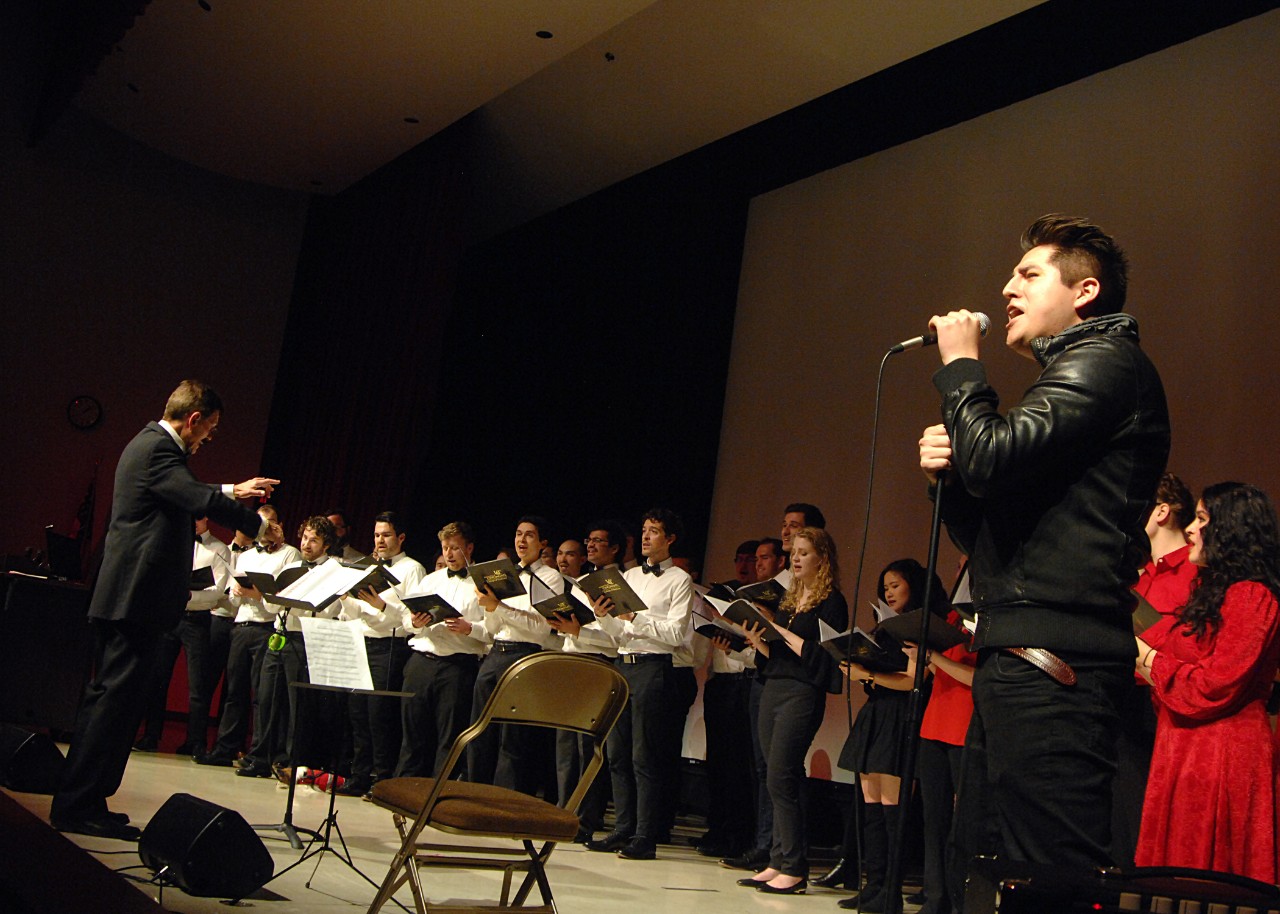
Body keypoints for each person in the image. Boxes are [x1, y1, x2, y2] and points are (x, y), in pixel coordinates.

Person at [919, 214, 1169, 875]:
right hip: (1021, 652)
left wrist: (962, 366)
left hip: (1057, 659)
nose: (1007, 288)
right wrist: (947, 481)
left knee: (1049, 869)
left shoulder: (1107, 362)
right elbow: (989, 541)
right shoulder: (1073, 375)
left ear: (1085, 292)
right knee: (991, 860)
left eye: (1028, 274)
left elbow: (995, 456)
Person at [50, 380, 276, 840]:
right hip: (134, 600)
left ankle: (89, 800)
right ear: (193, 419)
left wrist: (234, 488)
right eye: (208, 430)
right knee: (111, 704)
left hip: (134, 599)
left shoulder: (152, 448)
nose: (207, 439)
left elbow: (190, 489)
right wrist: (254, 522)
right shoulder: (159, 450)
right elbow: (195, 496)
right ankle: (76, 805)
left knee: (117, 704)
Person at [1135, 482, 1280, 882]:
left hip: (1221, 757)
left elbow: (1214, 685)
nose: (1192, 529)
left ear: (1230, 529)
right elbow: (1166, 645)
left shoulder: (1253, 596)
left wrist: (1148, 659)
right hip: (1185, 752)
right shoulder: (1211, 593)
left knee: (1207, 882)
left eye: (1201, 518)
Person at [825, 559, 946, 912]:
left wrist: (868, 676)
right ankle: (874, 885)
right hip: (877, 711)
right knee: (871, 803)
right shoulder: (887, 625)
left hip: (901, 715)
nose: (889, 592)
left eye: (895, 585)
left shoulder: (920, 625)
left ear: (913, 585)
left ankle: (891, 890)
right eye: (886, 587)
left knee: (894, 808)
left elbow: (914, 679)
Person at [736, 526, 847, 894]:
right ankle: (778, 859)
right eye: (794, 552)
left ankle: (795, 866)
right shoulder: (789, 599)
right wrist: (758, 638)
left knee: (782, 774)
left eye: (803, 552)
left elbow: (821, 656)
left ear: (822, 558)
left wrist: (780, 632)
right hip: (774, 687)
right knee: (773, 773)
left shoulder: (832, 601)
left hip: (801, 692)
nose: (795, 558)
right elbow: (777, 654)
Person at [585, 508, 693, 861]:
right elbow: (620, 635)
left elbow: (677, 634)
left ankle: (646, 835)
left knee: (644, 755)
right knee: (616, 754)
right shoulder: (629, 575)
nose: (646, 537)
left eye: (655, 531)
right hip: (623, 664)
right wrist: (606, 617)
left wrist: (636, 617)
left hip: (653, 667)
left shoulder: (679, 579)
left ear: (670, 539)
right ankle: (623, 829)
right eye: (644, 530)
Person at [1112, 473, 1197, 868]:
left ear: (1162, 511)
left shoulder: (1197, 573)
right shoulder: (1141, 573)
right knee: (1120, 812)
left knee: (1146, 811)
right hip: (1123, 698)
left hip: (1163, 702)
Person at [396, 521, 488, 778]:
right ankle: (404, 791)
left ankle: (437, 796)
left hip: (457, 666)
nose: (448, 554)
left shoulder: (481, 583)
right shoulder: (430, 580)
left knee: (449, 736)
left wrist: (470, 628)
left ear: (469, 548)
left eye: (455, 548)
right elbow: (406, 618)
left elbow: (492, 629)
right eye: (445, 548)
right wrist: (414, 622)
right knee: (413, 732)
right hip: (421, 661)